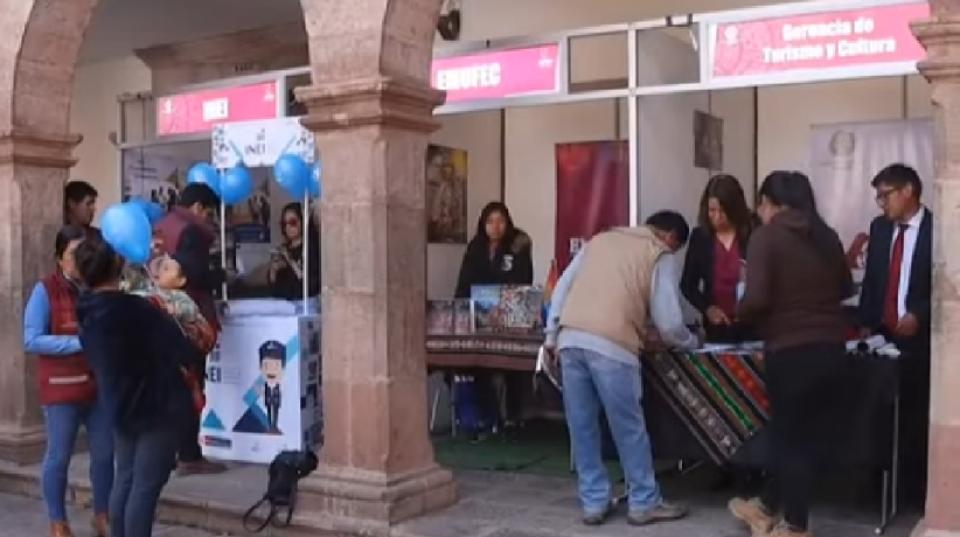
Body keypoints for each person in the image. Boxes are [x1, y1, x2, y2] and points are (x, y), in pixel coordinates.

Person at [544, 210, 698, 527]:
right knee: (628, 428)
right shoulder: (659, 254)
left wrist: (551, 334)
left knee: (582, 427)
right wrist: (691, 341)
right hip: (613, 344)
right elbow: (669, 323)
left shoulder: (599, 240)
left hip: (571, 339)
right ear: (671, 238)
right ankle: (643, 501)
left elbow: (562, 287)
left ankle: (594, 502)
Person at [729, 171, 854, 537]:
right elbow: (846, 287)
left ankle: (796, 526)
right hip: (832, 348)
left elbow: (758, 298)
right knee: (805, 437)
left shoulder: (766, 236)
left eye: (761, 204)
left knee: (790, 440)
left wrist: (741, 309)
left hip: (791, 350)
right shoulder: (826, 236)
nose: (760, 212)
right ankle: (765, 507)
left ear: (772, 203)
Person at [75, 237, 198, 537]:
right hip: (156, 405)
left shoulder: (87, 309)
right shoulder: (136, 309)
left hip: (119, 403)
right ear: (116, 265)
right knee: (144, 487)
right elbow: (181, 347)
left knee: (126, 479)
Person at [23, 225, 113, 537]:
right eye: (74, 255)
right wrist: (78, 343)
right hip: (62, 385)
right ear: (60, 258)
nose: (80, 261)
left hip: (98, 383)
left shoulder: (98, 286)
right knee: (59, 455)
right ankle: (57, 521)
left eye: (86, 254)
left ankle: (103, 514)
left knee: (104, 453)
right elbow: (32, 339)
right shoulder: (44, 290)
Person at [858, 163, 932, 504]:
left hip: (920, 340)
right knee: (877, 414)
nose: (881, 203)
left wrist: (920, 313)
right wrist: (864, 323)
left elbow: (951, 285)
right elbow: (872, 282)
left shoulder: (939, 228)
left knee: (915, 417)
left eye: (885, 195)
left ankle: (914, 492)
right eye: (878, 197)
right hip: (881, 336)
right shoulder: (880, 228)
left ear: (908, 192)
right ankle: (876, 490)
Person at [153, 183, 226, 475]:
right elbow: (193, 272)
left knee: (169, 384)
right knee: (191, 383)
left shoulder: (161, 225)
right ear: (198, 207)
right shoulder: (192, 230)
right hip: (187, 315)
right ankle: (189, 453)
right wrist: (220, 275)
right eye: (208, 212)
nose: (208, 219)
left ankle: (166, 452)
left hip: (160, 312)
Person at [681, 174, 755, 342]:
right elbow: (687, 285)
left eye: (724, 211)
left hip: (753, 327)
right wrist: (707, 309)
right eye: (712, 210)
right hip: (716, 328)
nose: (717, 217)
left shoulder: (753, 233)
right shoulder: (700, 237)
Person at [454, 202, 533, 298]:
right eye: (490, 222)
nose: (495, 227)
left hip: (509, 304)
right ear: (483, 224)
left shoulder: (518, 243)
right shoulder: (475, 245)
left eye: (500, 221)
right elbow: (464, 282)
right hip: (478, 305)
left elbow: (523, 282)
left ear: (507, 222)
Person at [268, 203, 320, 301]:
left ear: (302, 222)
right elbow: (274, 289)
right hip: (285, 304)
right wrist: (273, 271)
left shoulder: (310, 248)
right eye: (284, 223)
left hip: (306, 303)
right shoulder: (282, 249)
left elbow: (310, 284)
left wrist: (290, 260)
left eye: (292, 222)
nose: (288, 227)